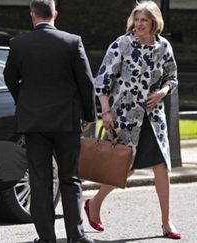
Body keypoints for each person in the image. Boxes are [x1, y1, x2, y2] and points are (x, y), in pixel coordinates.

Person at [85, 0, 181, 240]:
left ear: (153, 23)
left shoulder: (164, 47)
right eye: (136, 19)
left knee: (162, 167)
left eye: (144, 20)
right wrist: (106, 113)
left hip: (153, 117)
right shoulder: (122, 44)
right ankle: (94, 203)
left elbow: (172, 77)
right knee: (123, 169)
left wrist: (163, 91)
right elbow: (102, 81)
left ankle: (166, 222)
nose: (139, 24)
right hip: (124, 117)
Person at [3, 1, 96, 242]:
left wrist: (23, 103)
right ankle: (76, 236)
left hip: (34, 123)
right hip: (67, 121)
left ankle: (46, 238)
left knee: (40, 180)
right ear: (55, 14)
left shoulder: (18, 44)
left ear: (32, 15)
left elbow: (9, 78)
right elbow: (86, 82)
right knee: (70, 179)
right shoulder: (72, 42)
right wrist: (89, 116)